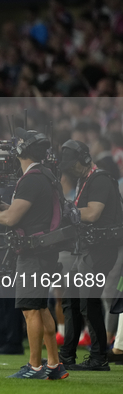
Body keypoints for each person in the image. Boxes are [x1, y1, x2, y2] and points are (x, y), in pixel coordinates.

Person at [0, 128, 68, 380]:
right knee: (40, 308)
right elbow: (31, 213)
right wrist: (6, 208)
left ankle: (34, 367)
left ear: (21, 150)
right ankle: (54, 364)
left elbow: (11, 219)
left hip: (34, 252)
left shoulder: (32, 178)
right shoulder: (45, 174)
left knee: (30, 310)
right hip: (44, 250)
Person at [58, 139, 122, 371]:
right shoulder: (85, 179)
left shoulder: (100, 179)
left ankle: (98, 358)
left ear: (85, 159)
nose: (71, 170)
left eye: (73, 165)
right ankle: (67, 355)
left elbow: (93, 213)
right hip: (87, 249)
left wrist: (68, 211)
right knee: (71, 299)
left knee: (88, 300)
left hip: (100, 250)